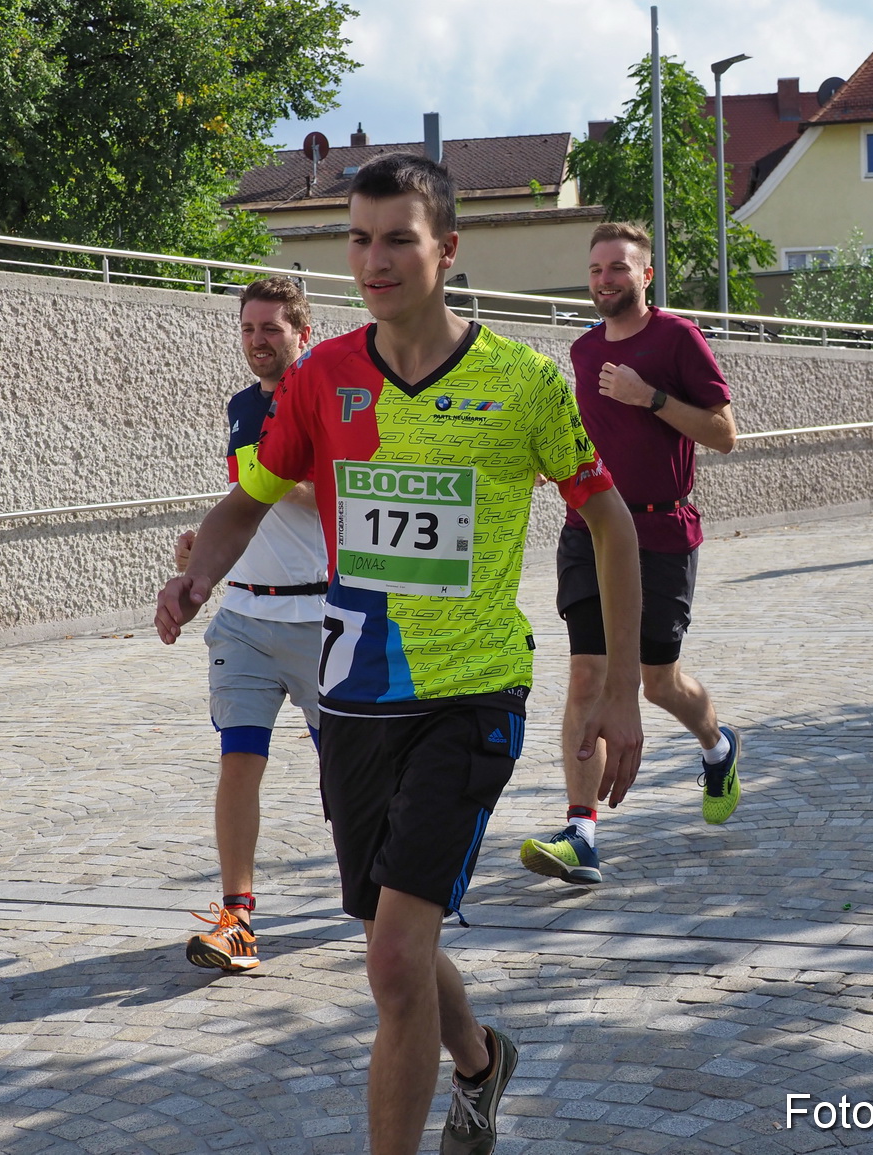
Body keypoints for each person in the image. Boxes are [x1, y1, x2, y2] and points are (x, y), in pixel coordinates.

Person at [155, 152, 644, 1155]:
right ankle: (477, 1061)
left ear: (447, 250)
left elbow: (612, 524)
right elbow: (247, 502)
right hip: (357, 692)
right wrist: (196, 577)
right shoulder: (323, 378)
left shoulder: (521, 382)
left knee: (387, 964)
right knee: (394, 940)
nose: (372, 260)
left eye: (397, 240)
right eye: (358, 238)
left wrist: (622, 691)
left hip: (472, 695)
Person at [518, 221, 741, 889]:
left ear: (646, 275)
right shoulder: (582, 351)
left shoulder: (677, 339)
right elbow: (581, 432)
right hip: (589, 529)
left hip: (661, 534)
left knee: (655, 682)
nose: (605, 279)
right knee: (587, 674)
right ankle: (580, 830)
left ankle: (719, 745)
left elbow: (725, 434)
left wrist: (653, 398)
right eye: (596, 269)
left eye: (619, 267)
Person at [178, 276, 326, 974]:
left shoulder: (329, 403)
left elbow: (329, 496)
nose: (259, 340)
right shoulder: (241, 407)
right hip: (244, 615)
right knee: (239, 760)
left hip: (322, 616)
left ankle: (388, 898)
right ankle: (237, 915)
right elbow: (245, 502)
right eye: (248, 329)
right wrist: (202, 545)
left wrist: (273, 477)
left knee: (350, 776)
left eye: (272, 328)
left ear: (303, 332)